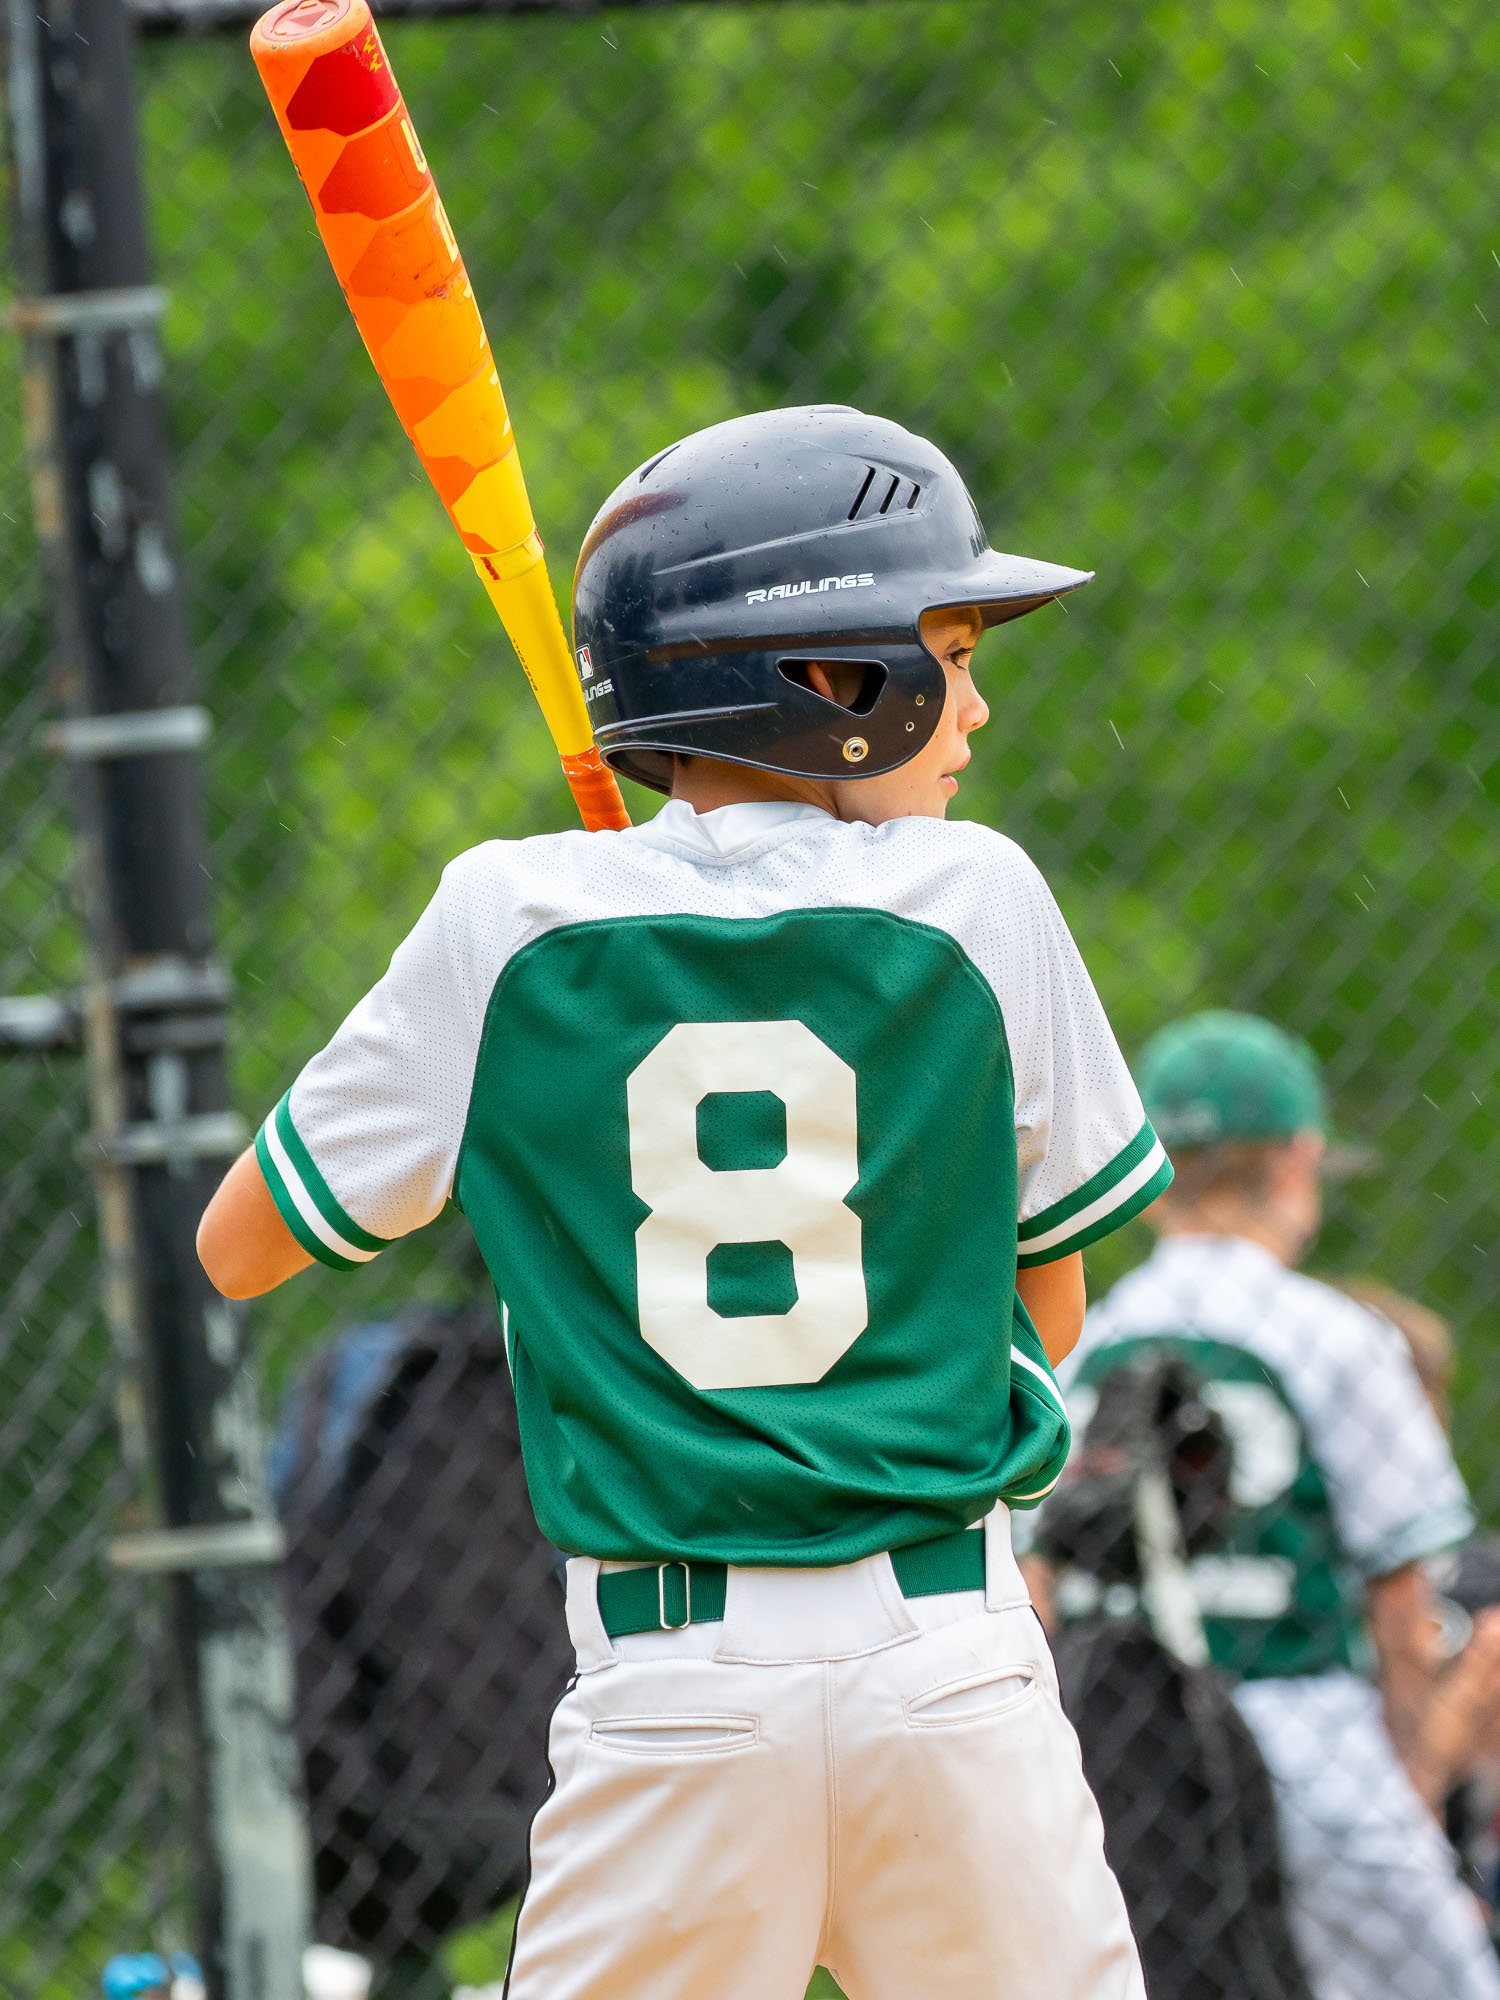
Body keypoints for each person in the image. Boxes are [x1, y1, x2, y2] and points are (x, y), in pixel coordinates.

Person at [198, 404, 1173, 2000]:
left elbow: (239, 1248)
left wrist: (529, 1105)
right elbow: (1043, 1300)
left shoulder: (506, 920)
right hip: (951, 1667)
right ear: (831, 682)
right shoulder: (981, 897)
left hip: (674, 1703)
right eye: (947, 646)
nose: (976, 705)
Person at [1062, 1010, 1499, 2000]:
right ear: (1299, 1160)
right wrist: (1411, 1785)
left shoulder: (1091, 1337)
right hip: (1303, 1728)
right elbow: (1400, 1594)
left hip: (1121, 1748)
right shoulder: (1339, 1335)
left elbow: (1033, 1577)